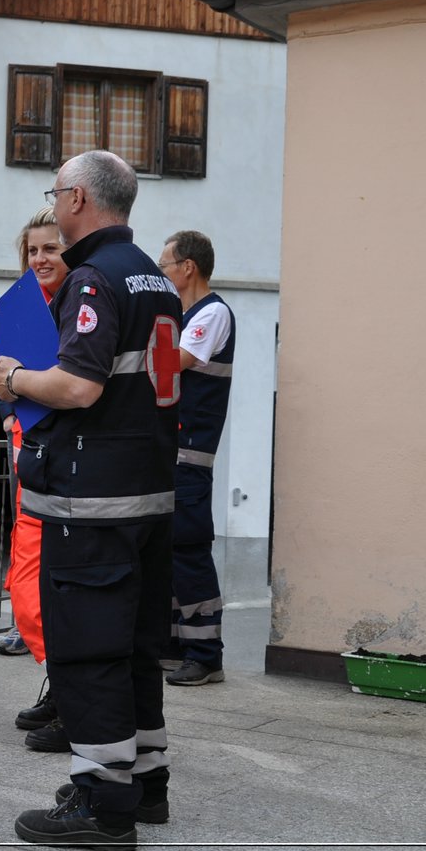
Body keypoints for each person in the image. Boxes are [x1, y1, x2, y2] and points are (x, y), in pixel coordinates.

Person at [0, 150, 181, 851]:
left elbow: (78, 386)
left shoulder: (94, 279)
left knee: (88, 649)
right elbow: (161, 386)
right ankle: (145, 784)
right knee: (135, 647)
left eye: (55, 192)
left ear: (75, 198)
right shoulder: (155, 278)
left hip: (93, 500)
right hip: (149, 496)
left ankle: (103, 806)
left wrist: (13, 375)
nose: (55, 202)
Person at [0, 208, 72, 751]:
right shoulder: (23, 309)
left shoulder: (81, 307)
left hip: (69, 472)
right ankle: (64, 686)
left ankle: (74, 697)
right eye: (33, 251)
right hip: (32, 467)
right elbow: (3, 378)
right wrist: (6, 401)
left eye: (51, 249)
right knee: (27, 588)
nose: (41, 259)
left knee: (52, 590)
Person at [157, 230, 234, 687]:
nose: (162, 272)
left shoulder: (212, 313)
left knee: (187, 549)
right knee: (167, 549)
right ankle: (175, 645)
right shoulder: (186, 313)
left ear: (188, 267)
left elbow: (175, 361)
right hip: (171, 452)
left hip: (189, 454)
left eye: (165, 265)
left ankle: (206, 653)